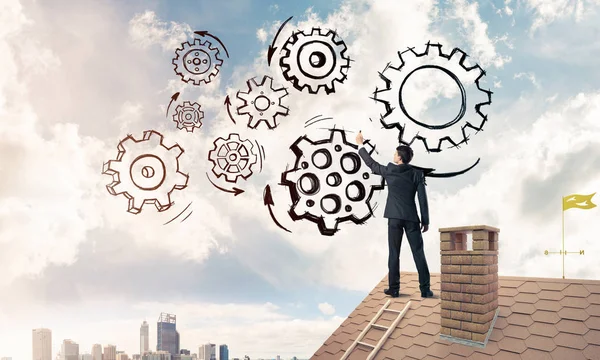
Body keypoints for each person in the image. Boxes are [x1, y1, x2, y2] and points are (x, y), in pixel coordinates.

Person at [355, 131, 433, 298]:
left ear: (399, 158)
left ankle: (394, 288)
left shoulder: (390, 171)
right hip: (412, 218)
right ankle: (425, 290)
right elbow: (422, 199)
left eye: (395, 154)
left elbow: (371, 164)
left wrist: (360, 145)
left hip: (394, 218)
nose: (393, 155)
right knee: (418, 253)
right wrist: (425, 220)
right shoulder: (417, 174)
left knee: (394, 253)